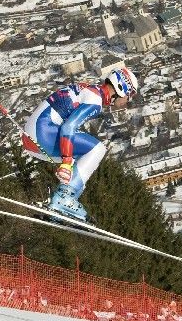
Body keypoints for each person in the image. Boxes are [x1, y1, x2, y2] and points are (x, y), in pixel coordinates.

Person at [22, 68, 138, 220]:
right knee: (97, 149)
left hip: (34, 136)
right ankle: (64, 198)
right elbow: (68, 127)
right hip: (42, 133)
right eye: (129, 95)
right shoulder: (95, 100)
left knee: (83, 162)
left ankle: (61, 207)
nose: (127, 101)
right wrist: (66, 161)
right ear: (120, 88)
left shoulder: (92, 90)